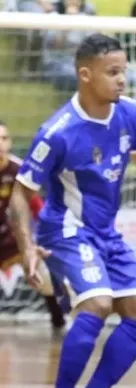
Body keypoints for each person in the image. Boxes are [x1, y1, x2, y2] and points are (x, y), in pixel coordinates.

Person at [9, 34, 136, 388]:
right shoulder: (57, 131)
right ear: (85, 74)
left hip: (106, 233)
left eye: (125, 71)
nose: (123, 80)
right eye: (113, 73)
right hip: (65, 231)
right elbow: (21, 195)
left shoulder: (131, 114)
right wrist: (27, 250)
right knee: (97, 303)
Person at [0, 120, 65, 330]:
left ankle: (58, 320)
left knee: (44, 274)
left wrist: (52, 233)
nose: (1, 144)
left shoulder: (18, 169)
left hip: (12, 240)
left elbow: (37, 206)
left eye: (4, 138)